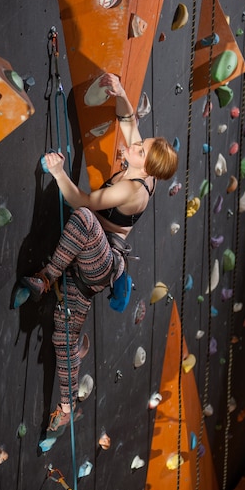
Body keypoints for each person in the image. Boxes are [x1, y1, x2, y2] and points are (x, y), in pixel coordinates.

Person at [19, 73, 178, 432]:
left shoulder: (134, 189)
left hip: (101, 261)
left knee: (86, 219)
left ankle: (46, 278)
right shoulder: (143, 167)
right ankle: (65, 406)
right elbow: (128, 123)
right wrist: (121, 92)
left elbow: (82, 201)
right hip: (87, 256)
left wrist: (59, 172)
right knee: (63, 334)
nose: (132, 146)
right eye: (142, 144)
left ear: (146, 166)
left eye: (140, 149)